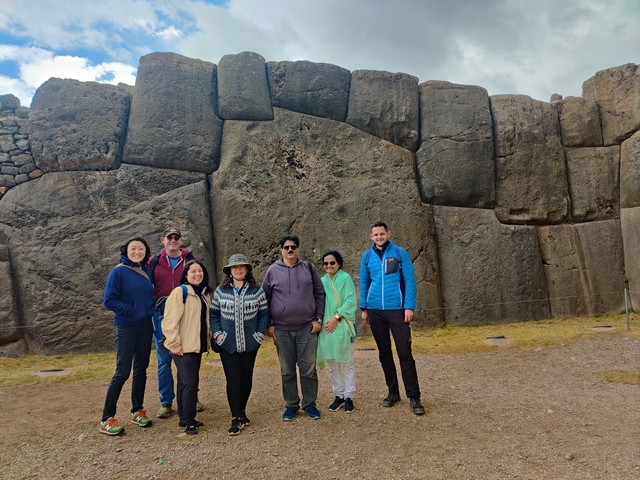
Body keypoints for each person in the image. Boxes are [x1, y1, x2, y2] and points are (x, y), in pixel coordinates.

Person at [359, 222, 425, 415]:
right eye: (376, 234)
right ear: (371, 237)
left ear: (388, 233)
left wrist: (409, 306)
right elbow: (364, 282)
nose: (379, 237)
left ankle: (414, 396)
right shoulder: (367, 257)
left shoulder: (399, 253)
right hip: (375, 311)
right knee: (384, 353)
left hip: (397, 310)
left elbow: (409, 280)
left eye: (382, 233)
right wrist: (364, 308)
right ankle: (393, 392)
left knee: (405, 353)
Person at [263, 234, 325, 421]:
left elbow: (319, 293)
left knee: (308, 369)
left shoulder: (308, 268)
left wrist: (318, 319)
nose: (290, 250)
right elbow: (265, 299)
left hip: (307, 328)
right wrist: (269, 325)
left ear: (298, 249)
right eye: (286, 247)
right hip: (281, 330)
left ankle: (310, 404)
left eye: (294, 247)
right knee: (287, 370)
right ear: (281, 249)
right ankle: (291, 404)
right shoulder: (272, 271)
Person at [100, 237, 156, 435]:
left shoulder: (146, 271)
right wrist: (131, 311)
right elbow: (109, 300)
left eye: (141, 249)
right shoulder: (118, 272)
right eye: (133, 248)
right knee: (122, 371)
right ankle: (107, 419)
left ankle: (137, 410)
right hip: (126, 325)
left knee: (141, 369)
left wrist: (146, 312)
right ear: (126, 250)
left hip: (145, 326)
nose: (137, 252)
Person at [210, 254, 269, 435]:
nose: (238, 270)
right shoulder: (221, 290)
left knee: (246, 378)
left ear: (247, 269)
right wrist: (218, 335)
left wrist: (259, 336)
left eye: (241, 267)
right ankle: (236, 417)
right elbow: (213, 314)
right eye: (234, 267)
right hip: (228, 344)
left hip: (250, 343)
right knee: (233, 379)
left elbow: (264, 314)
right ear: (229, 271)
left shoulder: (256, 290)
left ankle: (242, 411)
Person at [148, 227, 202, 419]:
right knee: (164, 360)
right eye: (169, 237)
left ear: (181, 240)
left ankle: (190, 396)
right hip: (162, 313)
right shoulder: (154, 261)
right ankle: (166, 401)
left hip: (188, 313)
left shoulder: (189, 258)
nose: (173, 240)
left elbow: (198, 278)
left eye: (176, 237)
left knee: (189, 356)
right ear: (162, 239)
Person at [162, 260, 213, 435]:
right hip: (183, 347)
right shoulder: (180, 292)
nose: (197, 274)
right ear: (186, 274)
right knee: (191, 383)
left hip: (196, 346)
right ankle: (189, 421)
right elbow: (169, 321)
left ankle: (184, 418)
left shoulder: (204, 293)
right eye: (193, 271)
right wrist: (174, 343)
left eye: (200, 271)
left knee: (184, 382)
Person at [316, 250, 358, 413]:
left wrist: (336, 317)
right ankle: (338, 395)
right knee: (332, 364)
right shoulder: (322, 281)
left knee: (347, 363)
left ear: (338, 263)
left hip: (342, 324)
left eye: (332, 263)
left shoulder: (345, 278)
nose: (328, 266)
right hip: (327, 327)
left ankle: (349, 396)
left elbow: (350, 300)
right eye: (325, 263)